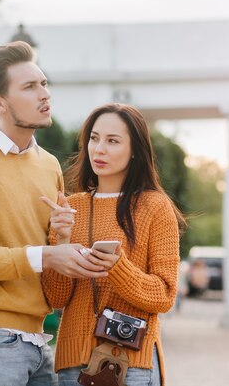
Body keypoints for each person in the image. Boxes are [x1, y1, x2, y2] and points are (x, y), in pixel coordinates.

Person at [0, 41, 107, 386]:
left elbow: (50, 264)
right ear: (0, 102)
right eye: (29, 87)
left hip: (38, 341)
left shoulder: (48, 164)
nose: (44, 94)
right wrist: (46, 254)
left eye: (44, 83)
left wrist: (62, 238)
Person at [41, 103, 183, 386]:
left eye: (112, 141)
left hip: (130, 364)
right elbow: (55, 299)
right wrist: (63, 239)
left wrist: (117, 268)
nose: (99, 149)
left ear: (134, 151)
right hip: (73, 364)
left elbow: (165, 295)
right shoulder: (71, 208)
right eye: (94, 138)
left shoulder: (155, 206)